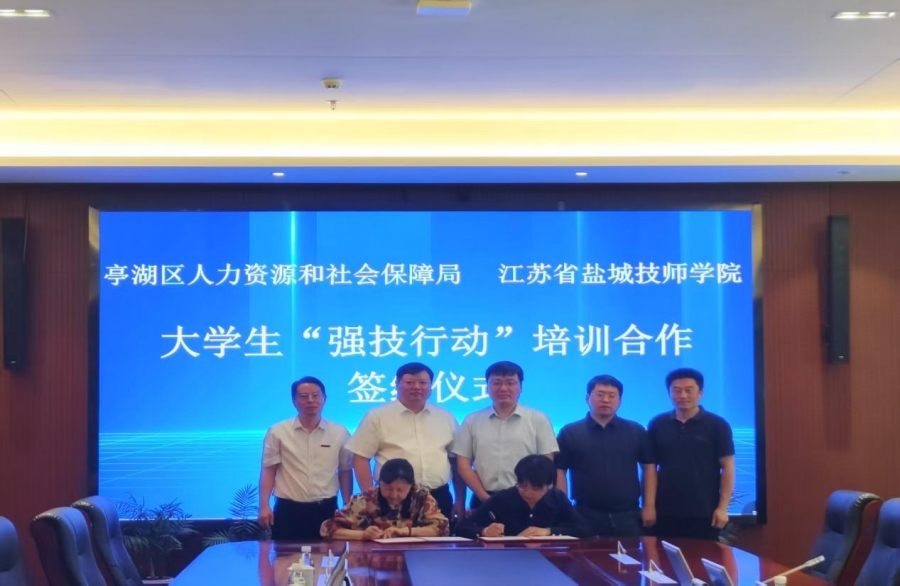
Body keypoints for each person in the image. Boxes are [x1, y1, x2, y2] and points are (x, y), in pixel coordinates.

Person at [346, 362, 466, 521]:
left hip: (439, 496)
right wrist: (371, 498)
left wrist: (460, 500)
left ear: (431, 386)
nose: (416, 387)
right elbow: (360, 458)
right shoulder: (377, 416)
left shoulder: (446, 417)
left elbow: (456, 461)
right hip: (393, 498)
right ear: (396, 384)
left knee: (439, 536)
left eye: (423, 382)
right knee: (392, 537)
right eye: (409, 382)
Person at [555, 374, 657, 537]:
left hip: (628, 514)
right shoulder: (570, 432)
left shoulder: (635, 431)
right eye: (600, 394)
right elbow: (560, 470)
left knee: (630, 554)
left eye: (612, 396)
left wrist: (649, 505)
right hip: (584, 513)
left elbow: (649, 467)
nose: (606, 400)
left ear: (620, 401)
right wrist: (564, 508)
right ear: (587, 398)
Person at [258, 376, 353, 541]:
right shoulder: (278, 432)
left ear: (324, 399)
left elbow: (345, 471)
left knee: (326, 556)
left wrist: (347, 505)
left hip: (326, 509)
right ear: (294, 401)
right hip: (288, 510)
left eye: (316, 395)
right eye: (303, 396)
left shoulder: (340, 432)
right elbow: (269, 470)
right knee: (285, 556)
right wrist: (264, 505)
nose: (310, 400)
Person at [453, 361, 558, 509]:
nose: (503, 388)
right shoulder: (472, 420)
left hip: (528, 501)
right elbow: (463, 465)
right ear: (487, 387)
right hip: (483, 499)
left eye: (510, 383)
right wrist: (484, 497)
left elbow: (546, 464)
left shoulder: (538, 419)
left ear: (520, 387)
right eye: (496, 383)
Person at [648, 368, 735, 540]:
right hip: (664, 511)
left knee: (702, 556)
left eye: (689, 390)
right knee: (662, 556)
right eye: (676, 390)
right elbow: (650, 468)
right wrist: (649, 505)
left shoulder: (717, 425)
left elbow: (728, 466)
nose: (683, 395)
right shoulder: (658, 424)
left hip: (704, 511)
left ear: (700, 393)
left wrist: (722, 508)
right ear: (669, 393)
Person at [455, 455, 591, 539]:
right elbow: (462, 528)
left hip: (547, 559)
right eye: (523, 486)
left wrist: (549, 531)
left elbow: (583, 529)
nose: (528, 492)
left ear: (550, 485)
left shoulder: (558, 498)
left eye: (536, 488)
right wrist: (485, 531)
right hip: (507, 559)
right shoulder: (502, 498)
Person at [320, 458, 449, 540]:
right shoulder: (366, 499)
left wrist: (406, 532)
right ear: (379, 483)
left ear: (411, 486)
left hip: (414, 557)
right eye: (387, 488)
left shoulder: (421, 497)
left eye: (400, 490)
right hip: (372, 558)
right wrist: (363, 535)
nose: (394, 495)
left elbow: (443, 529)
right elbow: (327, 528)